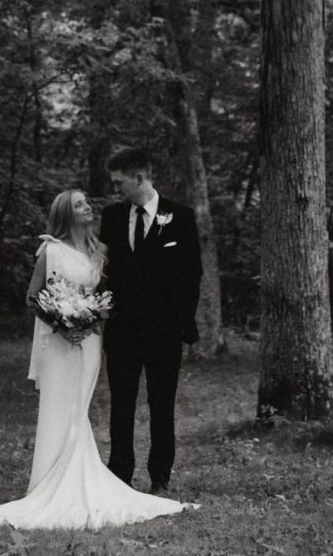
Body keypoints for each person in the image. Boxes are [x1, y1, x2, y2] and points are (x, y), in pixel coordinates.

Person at [0, 189, 196, 531]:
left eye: (87, 202)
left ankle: (86, 473)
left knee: (81, 407)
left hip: (90, 341)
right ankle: (51, 482)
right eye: (80, 205)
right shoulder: (50, 250)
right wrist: (62, 323)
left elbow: (111, 290)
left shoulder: (98, 249)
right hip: (62, 342)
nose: (88, 207)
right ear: (65, 214)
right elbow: (34, 297)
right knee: (63, 407)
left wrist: (92, 318)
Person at [99, 148, 203, 495]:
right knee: (121, 404)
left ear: (139, 178)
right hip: (122, 331)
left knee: (162, 404)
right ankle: (119, 474)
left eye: (119, 182)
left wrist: (184, 324)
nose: (116, 190)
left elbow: (192, 275)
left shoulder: (180, 216)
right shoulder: (112, 216)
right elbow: (104, 271)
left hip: (164, 331)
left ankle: (160, 476)